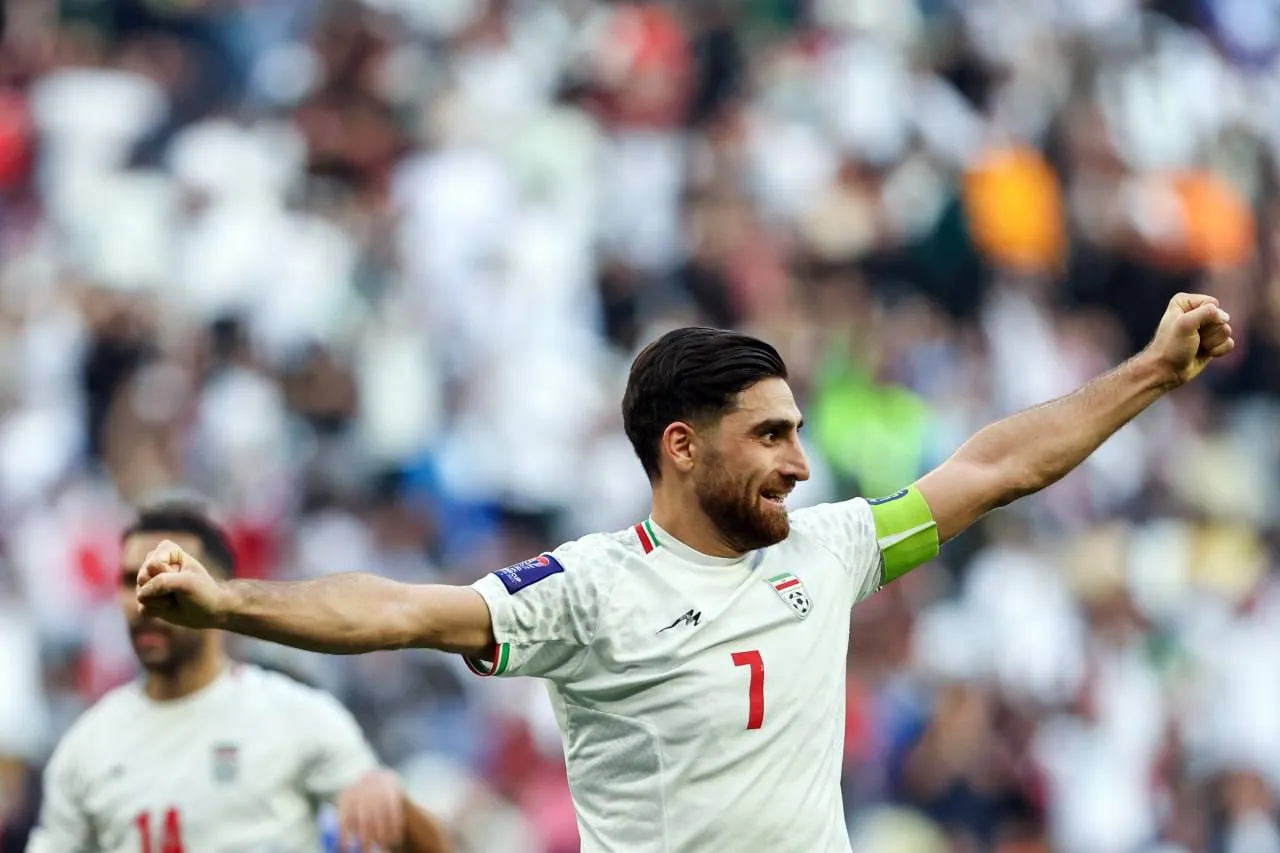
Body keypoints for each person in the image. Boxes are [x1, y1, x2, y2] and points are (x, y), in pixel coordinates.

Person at [134, 294, 1233, 853]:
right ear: (682, 446)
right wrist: (227, 602)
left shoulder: (829, 549)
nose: (799, 463)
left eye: (796, 432)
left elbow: (993, 468)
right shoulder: (589, 588)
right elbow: (395, 611)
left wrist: (1148, 372)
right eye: (770, 436)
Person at [28, 496, 450, 853]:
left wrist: (393, 800)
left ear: (213, 592)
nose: (144, 601)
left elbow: (429, 846)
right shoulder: (87, 746)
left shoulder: (296, 715)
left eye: (165, 580)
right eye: (128, 581)